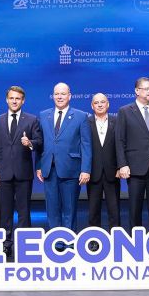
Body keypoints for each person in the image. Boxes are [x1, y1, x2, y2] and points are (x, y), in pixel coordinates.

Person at [0, 87, 42, 256]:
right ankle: (7, 243)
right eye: (11, 98)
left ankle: (24, 242)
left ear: (23, 101)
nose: (14, 101)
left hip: (23, 173)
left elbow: (40, 142)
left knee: (24, 210)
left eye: (17, 98)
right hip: (2, 174)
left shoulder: (32, 120)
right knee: (5, 211)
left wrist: (30, 143)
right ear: (6, 100)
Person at [115, 77, 149, 228]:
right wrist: (122, 165)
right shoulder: (125, 111)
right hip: (134, 168)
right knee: (135, 208)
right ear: (137, 91)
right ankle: (135, 242)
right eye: (147, 89)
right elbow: (120, 140)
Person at [37, 83, 91, 233]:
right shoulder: (43, 115)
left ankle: (69, 242)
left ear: (69, 96)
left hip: (71, 169)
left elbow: (86, 145)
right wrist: (39, 165)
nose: (59, 97)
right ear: (53, 96)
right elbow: (41, 143)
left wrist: (86, 169)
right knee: (52, 210)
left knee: (70, 210)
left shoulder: (80, 116)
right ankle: (56, 243)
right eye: (56, 94)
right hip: (49, 169)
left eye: (63, 94)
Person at [86, 93, 120, 229]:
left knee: (115, 210)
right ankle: (94, 242)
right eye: (96, 103)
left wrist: (120, 166)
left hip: (113, 172)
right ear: (92, 106)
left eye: (102, 102)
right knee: (93, 210)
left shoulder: (117, 121)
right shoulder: (85, 122)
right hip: (93, 172)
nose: (100, 105)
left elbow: (120, 145)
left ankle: (116, 239)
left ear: (108, 104)